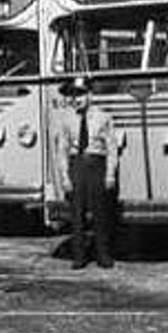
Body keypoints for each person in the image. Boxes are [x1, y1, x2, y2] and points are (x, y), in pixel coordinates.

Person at [52, 75, 118, 269]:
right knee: (77, 214)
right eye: (73, 95)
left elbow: (112, 148)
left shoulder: (103, 117)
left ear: (90, 95)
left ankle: (103, 255)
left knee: (100, 214)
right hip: (77, 165)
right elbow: (62, 151)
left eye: (80, 94)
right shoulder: (66, 120)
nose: (76, 99)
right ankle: (79, 257)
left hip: (97, 164)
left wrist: (110, 174)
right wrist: (64, 176)